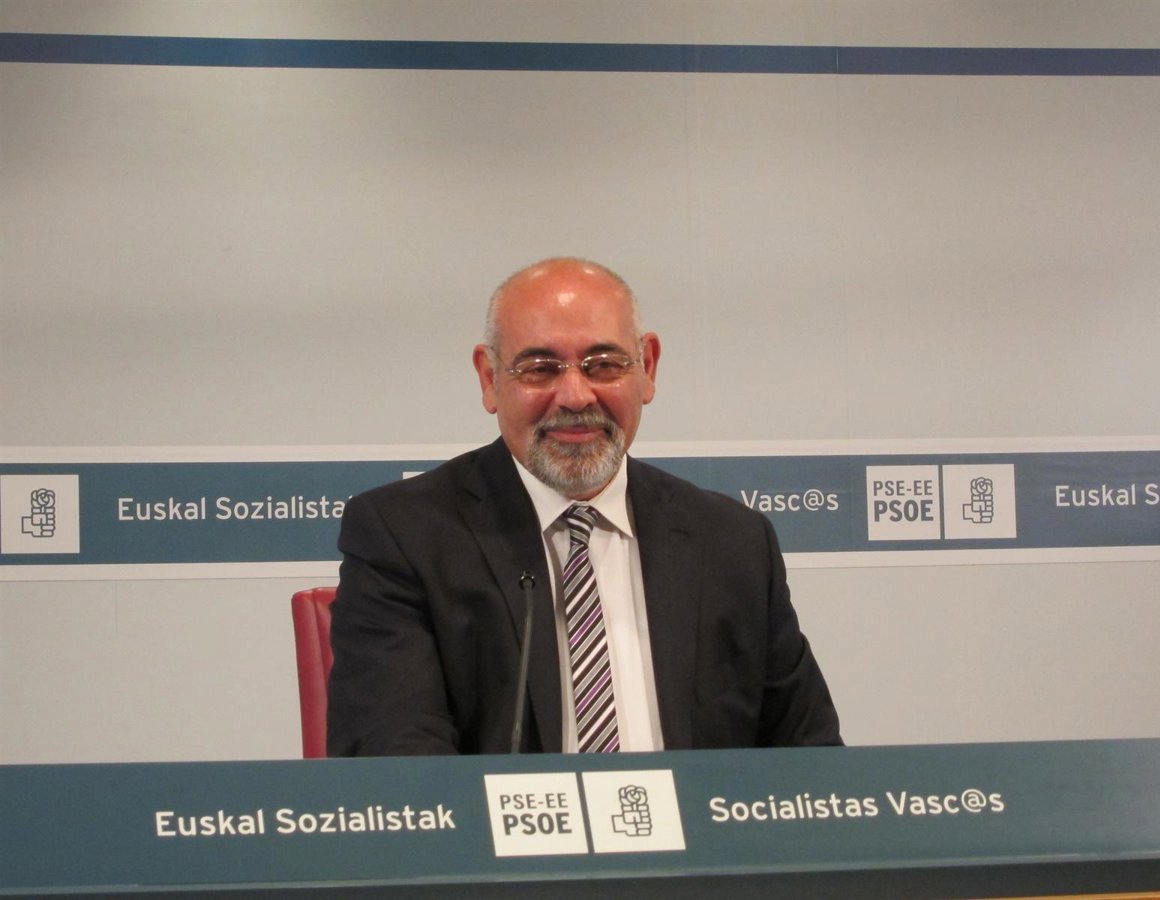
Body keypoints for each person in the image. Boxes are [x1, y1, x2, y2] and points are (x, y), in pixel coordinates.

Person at [326, 257, 841, 755]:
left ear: (648, 367)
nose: (575, 395)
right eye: (539, 369)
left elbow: (809, 757)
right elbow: (401, 764)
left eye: (605, 365)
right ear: (489, 378)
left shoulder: (732, 541)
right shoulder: (404, 535)